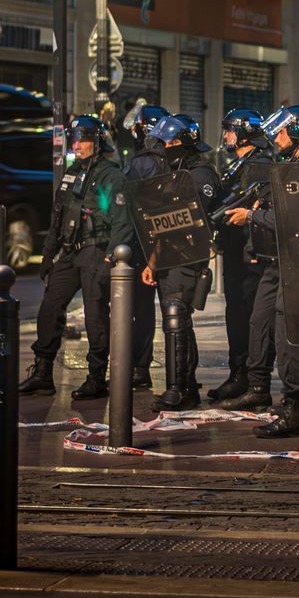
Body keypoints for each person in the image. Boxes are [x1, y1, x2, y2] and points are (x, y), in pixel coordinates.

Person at [219, 106, 299, 433]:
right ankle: (259, 388)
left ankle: (297, 407)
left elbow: (293, 220)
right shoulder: (286, 163)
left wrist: (251, 217)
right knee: (261, 322)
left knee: (289, 336)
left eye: (281, 132)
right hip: (273, 259)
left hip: (295, 264)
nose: (276, 138)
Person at [18, 115, 134, 398]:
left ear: (97, 141)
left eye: (82, 139)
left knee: (95, 315)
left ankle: (96, 378)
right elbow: (58, 218)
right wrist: (47, 256)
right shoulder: (72, 174)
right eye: (74, 139)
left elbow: (122, 221)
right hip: (70, 252)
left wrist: (111, 259)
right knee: (50, 307)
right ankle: (43, 373)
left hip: (97, 251)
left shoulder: (111, 175)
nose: (77, 145)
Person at [132, 113, 223, 410]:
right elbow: (161, 222)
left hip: (188, 256)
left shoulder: (202, 174)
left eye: (170, 141)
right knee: (176, 323)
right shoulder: (174, 173)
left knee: (176, 316)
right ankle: (185, 387)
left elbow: (189, 219)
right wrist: (153, 262)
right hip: (167, 258)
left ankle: (178, 389)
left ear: (184, 142)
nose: (165, 146)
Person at [209, 108, 271, 403]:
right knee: (236, 312)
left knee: (249, 315)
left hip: (251, 254)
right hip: (236, 249)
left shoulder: (259, 164)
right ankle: (239, 373)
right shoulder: (239, 163)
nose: (226, 135)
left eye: (231, 129)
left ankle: (250, 378)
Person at [123, 105, 172, 389]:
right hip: (161, 243)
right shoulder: (166, 158)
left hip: (142, 244)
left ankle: (139, 368)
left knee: (138, 309)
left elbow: (131, 204)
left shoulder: (143, 162)